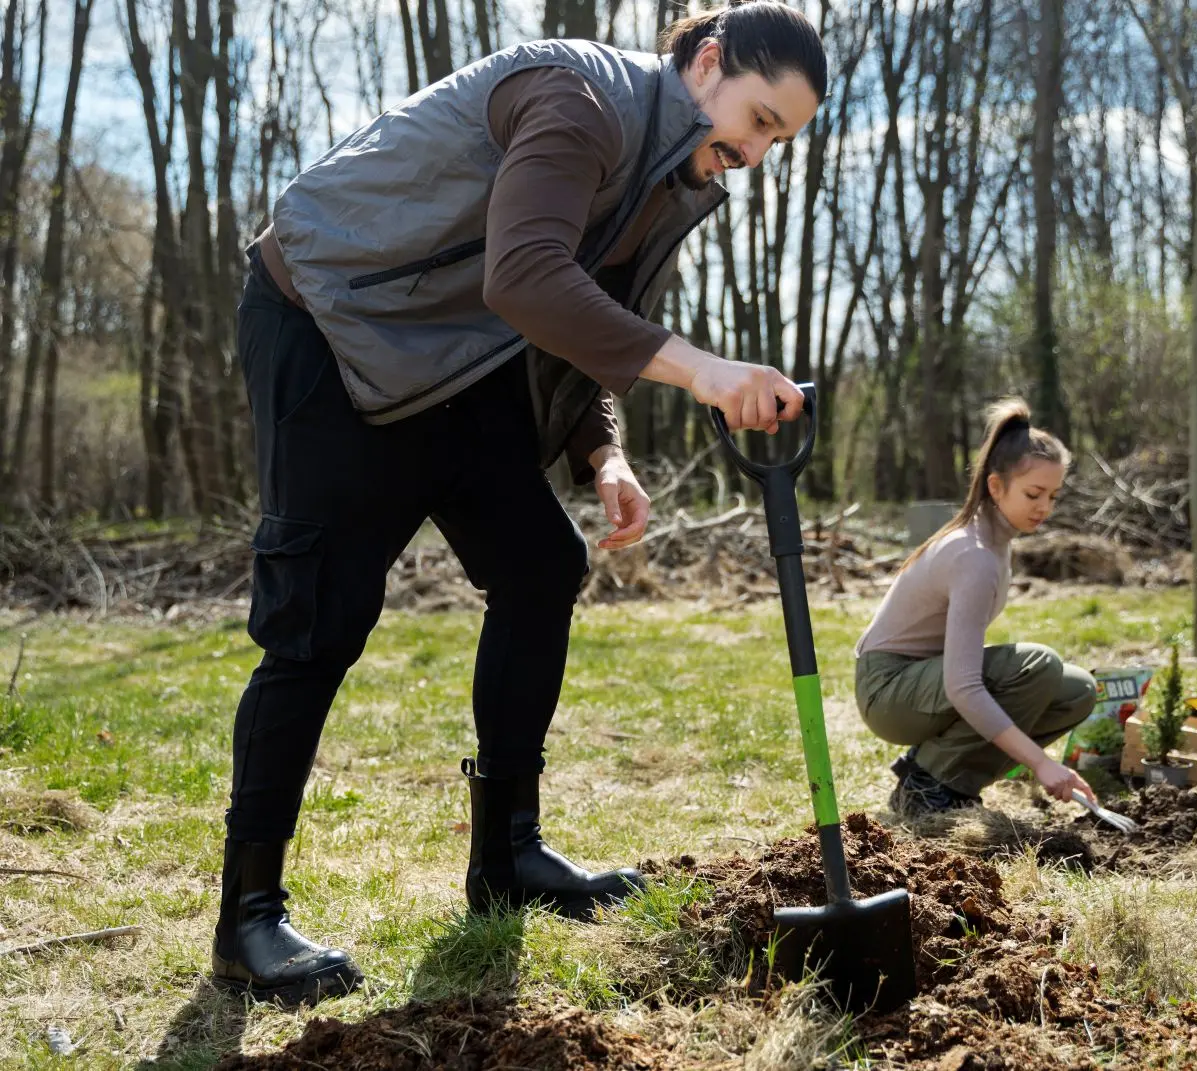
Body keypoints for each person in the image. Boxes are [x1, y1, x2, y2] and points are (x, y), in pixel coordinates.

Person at [214, 1, 827, 1006]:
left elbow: (589, 317)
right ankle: (248, 915)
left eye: (778, 141)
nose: (756, 153)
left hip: (454, 360)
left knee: (542, 565)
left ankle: (507, 854)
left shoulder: (666, 174)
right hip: (328, 319)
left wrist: (603, 455)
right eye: (759, 119)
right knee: (318, 618)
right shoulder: (578, 99)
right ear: (708, 62)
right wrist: (708, 372)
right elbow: (528, 276)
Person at [854, 400, 1098, 817]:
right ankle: (927, 783)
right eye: (1033, 494)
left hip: (922, 682)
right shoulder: (975, 555)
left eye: (1053, 495)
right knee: (1038, 665)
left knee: (1076, 690)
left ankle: (953, 779)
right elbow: (963, 687)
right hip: (888, 690)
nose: (1045, 507)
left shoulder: (997, 542)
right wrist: (1040, 763)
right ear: (995, 487)